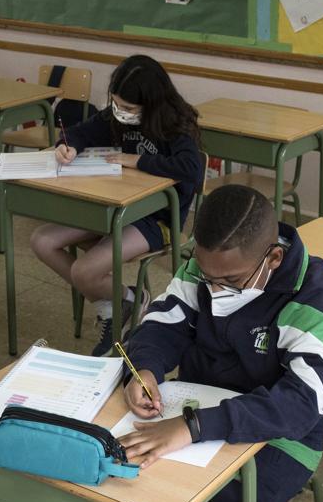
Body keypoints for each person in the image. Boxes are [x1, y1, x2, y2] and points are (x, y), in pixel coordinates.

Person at [65, 184, 323, 502]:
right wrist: (147, 369)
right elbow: (162, 322)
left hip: (277, 440)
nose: (214, 288)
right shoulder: (207, 266)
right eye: (205, 274)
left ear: (272, 259)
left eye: (231, 281)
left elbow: (300, 404)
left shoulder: (313, 293)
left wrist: (193, 427)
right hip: (190, 415)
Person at [30, 55, 204, 355]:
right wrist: (66, 145)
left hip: (156, 220)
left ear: (152, 104)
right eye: (116, 104)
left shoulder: (176, 125)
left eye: (129, 108)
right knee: (42, 241)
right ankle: (123, 301)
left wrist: (137, 160)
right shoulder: (114, 117)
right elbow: (83, 131)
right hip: (111, 210)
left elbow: (192, 167)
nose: (121, 113)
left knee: (84, 272)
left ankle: (124, 304)